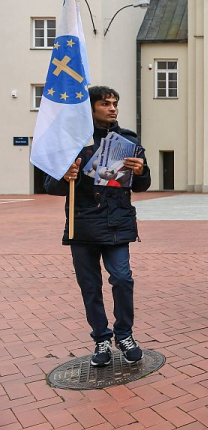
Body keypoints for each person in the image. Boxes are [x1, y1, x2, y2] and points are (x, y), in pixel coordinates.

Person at [44, 86, 150, 366]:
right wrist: (66, 175)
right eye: (105, 103)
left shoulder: (127, 139)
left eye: (115, 103)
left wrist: (141, 171)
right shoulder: (73, 141)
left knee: (123, 279)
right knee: (90, 286)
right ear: (90, 108)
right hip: (83, 227)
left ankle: (124, 334)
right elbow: (51, 186)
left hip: (117, 223)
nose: (113, 108)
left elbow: (141, 185)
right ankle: (101, 339)